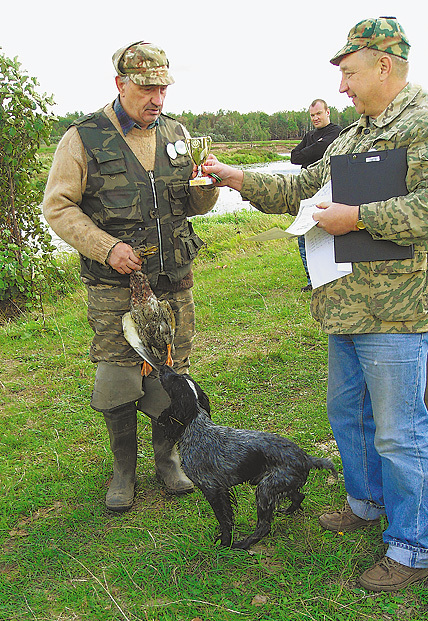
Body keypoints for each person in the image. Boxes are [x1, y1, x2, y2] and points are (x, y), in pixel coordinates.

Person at [202, 17, 428, 591]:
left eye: (349, 74)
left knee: (400, 432)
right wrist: (235, 176)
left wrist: (360, 218)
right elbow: (303, 186)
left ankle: (410, 547)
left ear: (384, 64)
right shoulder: (354, 136)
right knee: (348, 416)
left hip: (395, 310)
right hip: (344, 305)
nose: (343, 88)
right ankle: (366, 504)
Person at [43, 41, 219, 512]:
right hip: (115, 289)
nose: (156, 98)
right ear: (120, 84)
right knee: (119, 381)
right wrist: (106, 247)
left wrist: (208, 187)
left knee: (174, 375)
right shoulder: (83, 139)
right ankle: (124, 469)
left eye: (162, 88)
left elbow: (191, 205)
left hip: (174, 282)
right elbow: (57, 207)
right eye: (146, 88)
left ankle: (167, 460)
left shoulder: (178, 134)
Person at [290, 100, 341, 291]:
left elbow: (323, 148)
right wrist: (314, 148)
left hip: (327, 191)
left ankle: (329, 276)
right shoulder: (310, 135)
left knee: (327, 236)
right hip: (308, 193)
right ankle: (313, 280)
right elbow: (295, 157)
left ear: (328, 112)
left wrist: (310, 151)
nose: (315, 118)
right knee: (304, 237)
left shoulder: (336, 132)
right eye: (312, 115)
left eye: (319, 113)